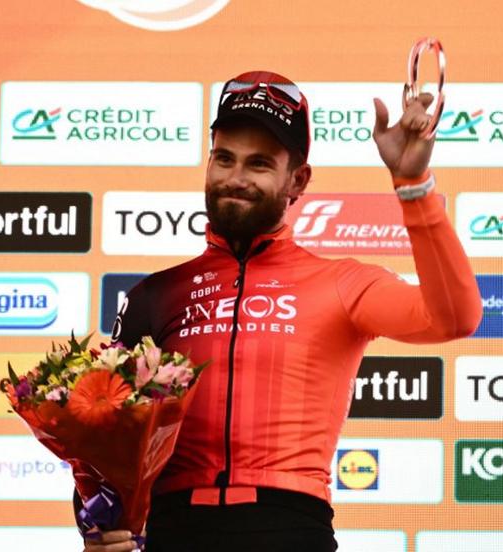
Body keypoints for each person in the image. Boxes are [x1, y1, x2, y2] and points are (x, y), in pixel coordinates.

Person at [83, 70, 482, 552]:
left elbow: (455, 318)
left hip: (290, 529)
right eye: (224, 158)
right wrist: (104, 531)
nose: (235, 178)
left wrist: (413, 184)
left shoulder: (341, 283)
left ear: (298, 180)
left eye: (258, 164)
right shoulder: (157, 294)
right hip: (174, 531)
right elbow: (101, 441)